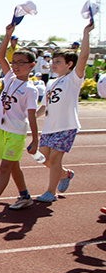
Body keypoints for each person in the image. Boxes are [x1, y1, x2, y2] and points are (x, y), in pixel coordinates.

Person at [0, 23, 39, 215]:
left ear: (32, 66)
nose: (16, 66)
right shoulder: (9, 77)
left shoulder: (31, 90)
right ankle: (25, 196)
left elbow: (32, 116)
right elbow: (1, 56)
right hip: (2, 128)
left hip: (16, 132)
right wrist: (7, 35)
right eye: (15, 62)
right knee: (13, 166)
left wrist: (35, 139)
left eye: (22, 63)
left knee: (5, 167)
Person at [34, 21, 93, 202]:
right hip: (50, 127)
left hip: (66, 126)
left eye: (58, 61)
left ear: (69, 65)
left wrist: (86, 33)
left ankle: (51, 192)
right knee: (41, 157)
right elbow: (44, 106)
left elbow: (82, 56)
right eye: (53, 61)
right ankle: (65, 174)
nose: (53, 64)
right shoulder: (51, 83)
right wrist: (30, 117)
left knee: (54, 158)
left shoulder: (73, 79)